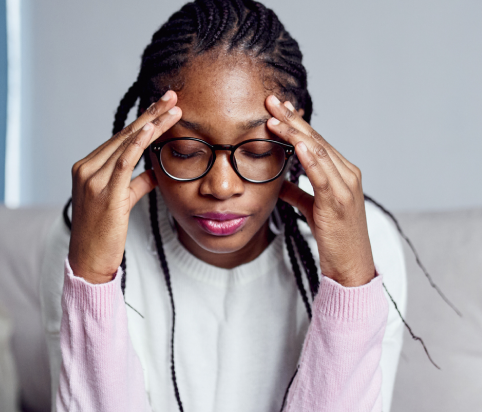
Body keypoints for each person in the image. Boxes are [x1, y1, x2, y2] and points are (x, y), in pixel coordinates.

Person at [40, 0, 407, 411]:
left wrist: (350, 282)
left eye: (256, 149)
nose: (221, 185)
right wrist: (92, 280)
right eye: (184, 149)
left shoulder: (367, 240)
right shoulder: (86, 233)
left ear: (295, 139)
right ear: (147, 139)